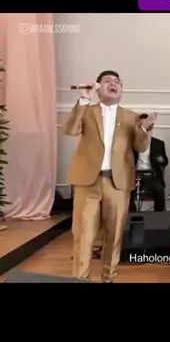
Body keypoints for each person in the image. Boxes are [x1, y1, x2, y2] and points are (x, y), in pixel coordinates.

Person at [63, 71, 156, 282]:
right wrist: (84, 99)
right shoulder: (87, 110)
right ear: (98, 88)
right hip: (88, 181)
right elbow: (70, 130)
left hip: (118, 183)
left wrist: (145, 128)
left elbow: (141, 147)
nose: (113, 84)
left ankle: (108, 278)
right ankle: (80, 279)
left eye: (117, 82)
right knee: (83, 235)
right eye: (107, 81)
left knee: (114, 236)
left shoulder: (131, 116)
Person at [130, 113, 169, 212]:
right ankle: (132, 216)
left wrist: (161, 160)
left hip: (152, 175)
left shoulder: (158, 143)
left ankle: (158, 216)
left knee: (159, 189)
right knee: (126, 191)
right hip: (134, 175)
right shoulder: (131, 143)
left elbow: (165, 162)